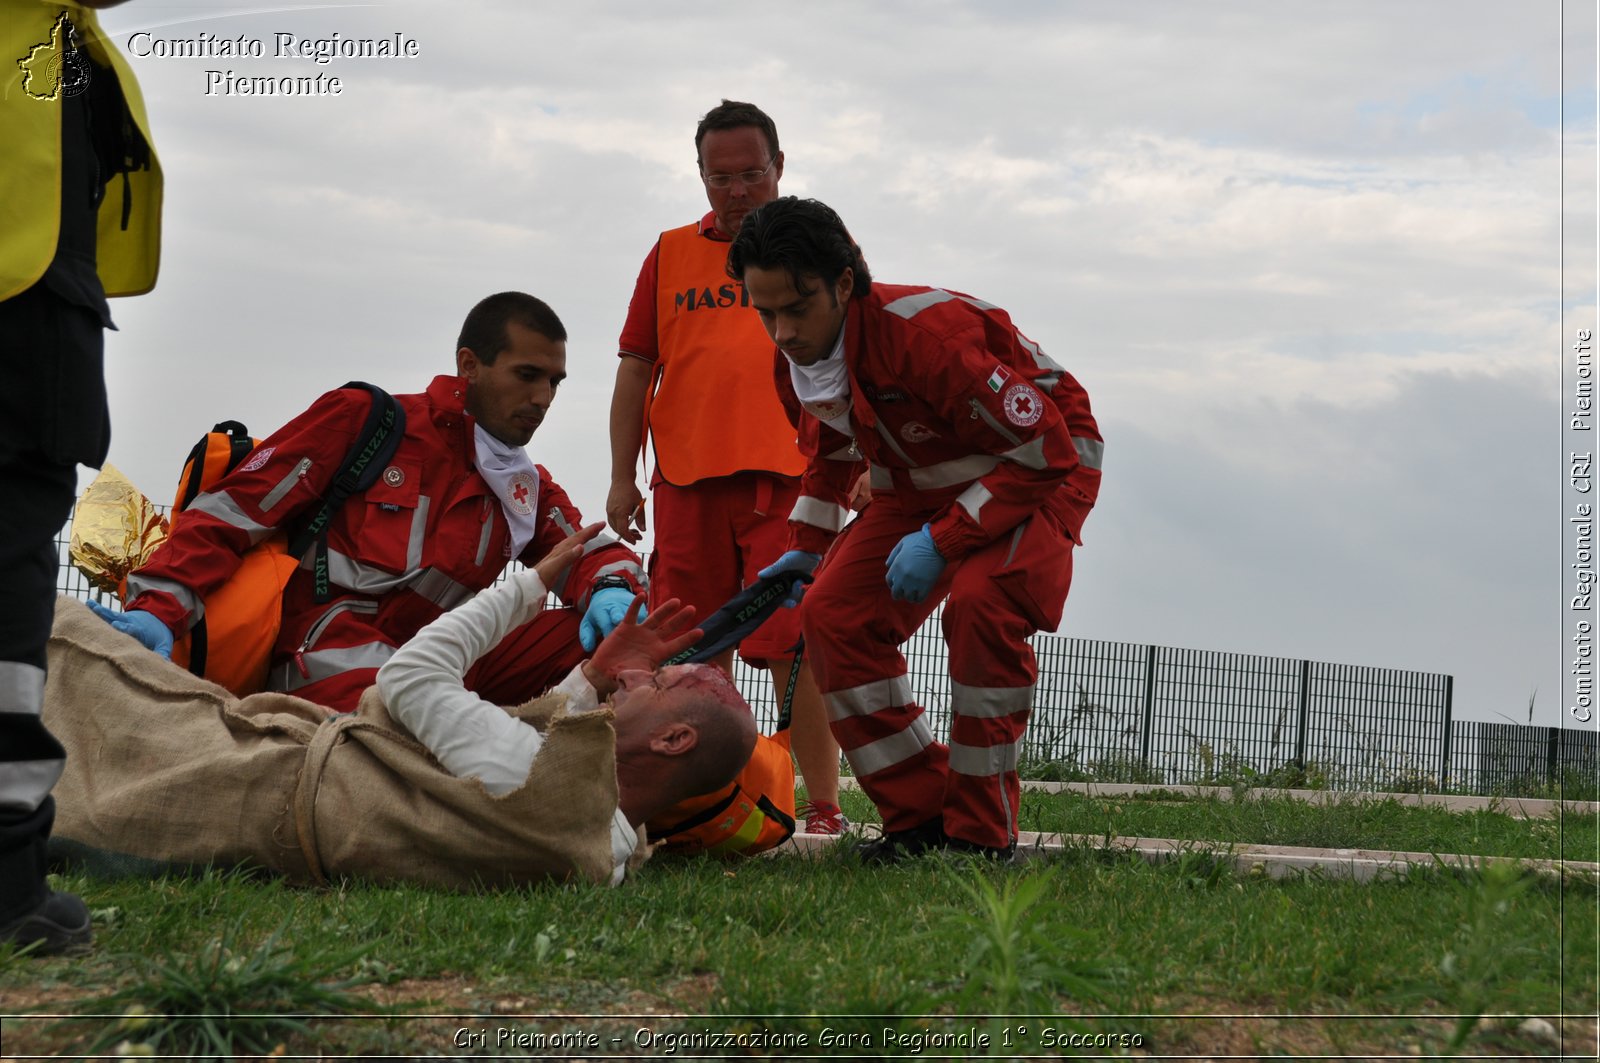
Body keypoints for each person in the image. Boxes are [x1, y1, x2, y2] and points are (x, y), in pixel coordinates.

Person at [42, 525, 757, 888]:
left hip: (243, 780)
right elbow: (516, 752)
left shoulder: (530, 777)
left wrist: (529, 583)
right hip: (274, 785)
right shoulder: (599, 842)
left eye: (654, 688)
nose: (632, 683)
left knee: (64, 648)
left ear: (672, 741)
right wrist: (594, 674)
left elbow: (411, 679)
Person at [727, 196, 1104, 862]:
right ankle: (921, 817)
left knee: (984, 603)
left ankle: (982, 836)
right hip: (920, 479)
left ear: (845, 283)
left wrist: (944, 540)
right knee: (832, 615)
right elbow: (831, 456)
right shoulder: (802, 366)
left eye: (797, 307)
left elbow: (1045, 447)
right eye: (766, 311)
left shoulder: (926, 338)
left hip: (1041, 465)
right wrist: (803, 555)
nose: (782, 331)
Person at [97, 292, 646, 713]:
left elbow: (588, 550)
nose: (543, 398)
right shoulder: (367, 421)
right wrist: (158, 610)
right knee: (409, 714)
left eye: (555, 382)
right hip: (334, 654)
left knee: (634, 639)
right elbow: (228, 516)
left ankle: (617, 791)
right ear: (470, 365)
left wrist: (614, 589)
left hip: (445, 659)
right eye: (527, 376)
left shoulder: (525, 486)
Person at [606, 100, 844, 835]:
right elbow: (635, 367)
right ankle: (699, 800)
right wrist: (621, 474)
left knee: (793, 641)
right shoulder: (670, 251)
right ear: (701, 175)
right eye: (721, 178)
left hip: (794, 478)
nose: (737, 191)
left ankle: (821, 806)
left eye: (751, 174)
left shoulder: (821, 244)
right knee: (687, 644)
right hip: (684, 478)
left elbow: (861, 353)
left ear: (779, 167)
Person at [0, 0, 161, 955]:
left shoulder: (59, 36)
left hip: (41, 312)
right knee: (8, 598)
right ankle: (8, 876)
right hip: (24, 324)